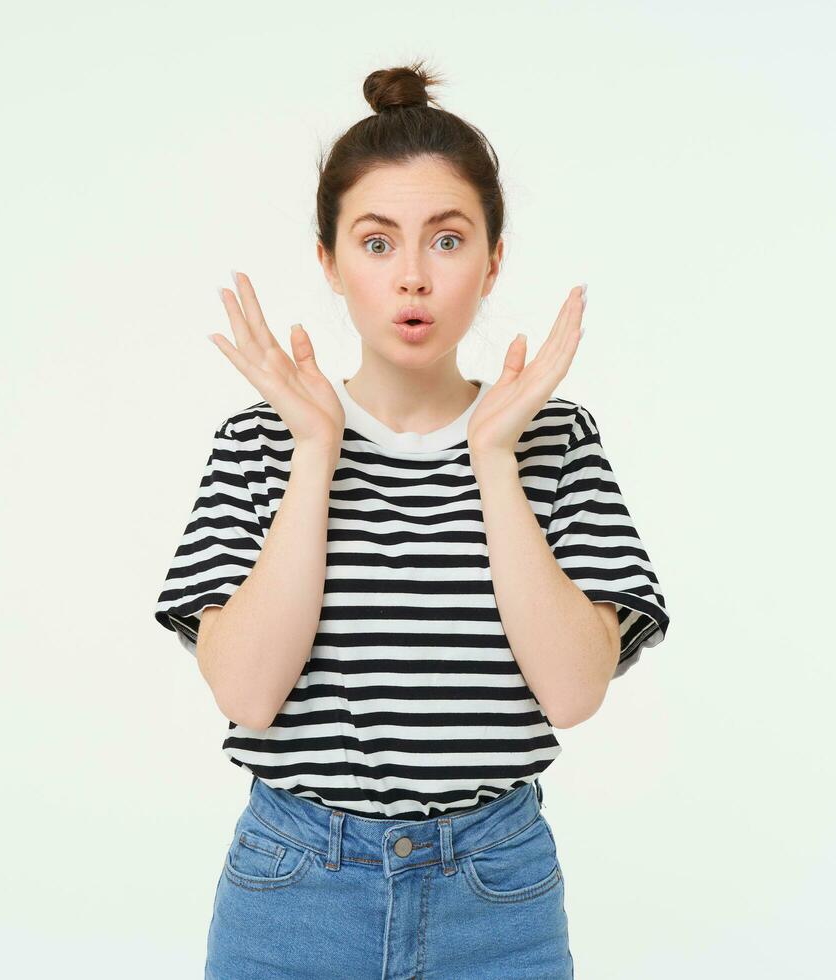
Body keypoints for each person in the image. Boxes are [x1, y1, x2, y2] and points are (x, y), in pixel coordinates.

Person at [154, 61, 671, 979]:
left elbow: (573, 692)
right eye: (378, 242)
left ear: (493, 259)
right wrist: (314, 452)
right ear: (331, 262)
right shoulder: (257, 444)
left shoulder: (553, 439)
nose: (414, 279)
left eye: (447, 239)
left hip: (496, 893)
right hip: (293, 891)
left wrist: (494, 458)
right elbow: (247, 694)